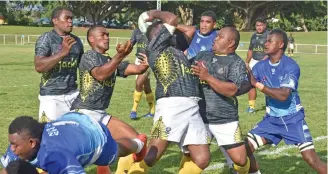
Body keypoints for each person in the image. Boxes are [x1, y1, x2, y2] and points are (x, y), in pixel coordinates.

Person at [128, 10, 210, 174]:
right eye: (166, 30)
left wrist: (170, 26)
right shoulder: (155, 48)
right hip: (172, 104)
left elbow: (191, 30)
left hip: (192, 105)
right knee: (152, 156)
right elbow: (172, 18)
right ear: (158, 35)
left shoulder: (176, 49)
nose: (173, 31)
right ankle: (128, 168)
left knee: (202, 159)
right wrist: (153, 14)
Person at [246, 29, 327, 174]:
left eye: (270, 41)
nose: (265, 43)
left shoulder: (290, 66)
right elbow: (246, 84)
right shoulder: (260, 66)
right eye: (266, 40)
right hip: (271, 121)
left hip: (293, 120)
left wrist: (257, 84)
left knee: (312, 160)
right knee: (244, 149)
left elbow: (283, 95)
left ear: (281, 44)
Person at [69, 25, 149, 174]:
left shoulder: (109, 60)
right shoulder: (89, 56)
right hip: (84, 113)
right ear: (91, 39)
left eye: (108, 35)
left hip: (101, 113)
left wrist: (144, 65)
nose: (107, 38)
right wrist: (119, 56)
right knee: (74, 156)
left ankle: (107, 166)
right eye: (103, 35)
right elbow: (100, 74)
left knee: (135, 140)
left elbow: (136, 69)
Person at [0, 112, 147, 174]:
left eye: (15, 145)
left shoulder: (56, 155)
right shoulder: (19, 144)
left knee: (116, 151)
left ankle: (138, 144)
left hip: (94, 135)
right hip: (71, 120)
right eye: (12, 144)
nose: (12, 149)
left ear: (32, 143)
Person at [192, 26, 250, 174]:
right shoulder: (202, 56)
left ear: (231, 43)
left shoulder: (236, 63)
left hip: (225, 118)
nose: (215, 39)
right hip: (199, 116)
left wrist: (207, 77)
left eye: (220, 37)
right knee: (196, 158)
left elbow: (231, 90)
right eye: (216, 36)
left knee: (241, 160)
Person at [34, 6, 84, 122]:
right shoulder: (46, 38)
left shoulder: (76, 41)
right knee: (50, 135)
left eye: (71, 18)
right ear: (55, 20)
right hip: (51, 97)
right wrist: (63, 53)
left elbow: (82, 66)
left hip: (73, 95)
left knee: (75, 133)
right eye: (66, 18)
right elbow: (39, 66)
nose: (71, 21)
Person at [129, 28, 155, 119]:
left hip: (147, 61)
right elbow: (131, 43)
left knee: (139, 83)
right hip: (138, 60)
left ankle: (133, 110)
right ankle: (152, 111)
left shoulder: (153, 29)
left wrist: (151, 58)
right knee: (146, 86)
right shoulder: (137, 30)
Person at [245, 18, 270, 113]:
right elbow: (251, 50)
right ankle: (251, 107)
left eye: (261, 25)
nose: (259, 27)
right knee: (251, 84)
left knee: (267, 85)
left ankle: (269, 107)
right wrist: (247, 62)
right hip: (254, 61)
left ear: (265, 25)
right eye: (257, 25)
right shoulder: (254, 36)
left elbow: (271, 50)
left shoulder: (269, 35)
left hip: (265, 62)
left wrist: (264, 60)